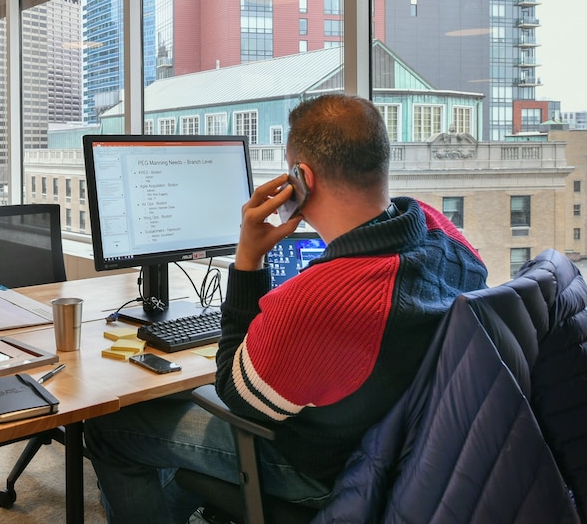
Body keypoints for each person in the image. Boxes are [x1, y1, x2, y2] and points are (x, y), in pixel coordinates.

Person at [84, 93, 488, 523]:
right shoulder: (443, 233)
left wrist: (247, 260)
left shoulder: (322, 296)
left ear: (302, 179)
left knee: (111, 428)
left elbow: (237, 394)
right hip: (405, 453)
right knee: (172, 419)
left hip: (318, 468)